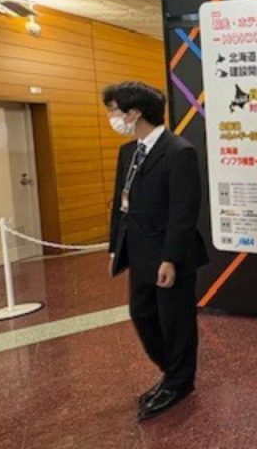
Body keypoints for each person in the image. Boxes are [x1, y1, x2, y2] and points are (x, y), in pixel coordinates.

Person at [103, 81, 208, 421]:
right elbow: (120, 204)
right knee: (142, 314)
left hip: (168, 255)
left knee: (176, 322)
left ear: (135, 113)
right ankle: (173, 372)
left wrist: (171, 258)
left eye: (114, 110)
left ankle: (179, 382)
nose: (112, 117)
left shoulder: (179, 151)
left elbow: (184, 212)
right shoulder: (128, 152)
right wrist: (114, 248)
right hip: (138, 251)